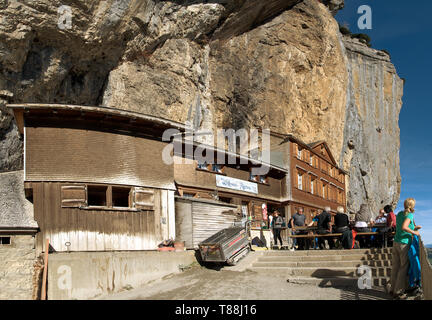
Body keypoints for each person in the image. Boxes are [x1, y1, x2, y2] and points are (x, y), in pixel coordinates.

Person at [390, 198, 422, 299]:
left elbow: (400, 226)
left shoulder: (399, 213)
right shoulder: (410, 215)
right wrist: (415, 232)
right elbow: (404, 227)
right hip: (404, 244)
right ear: (412, 206)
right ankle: (398, 292)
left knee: (395, 266)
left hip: (396, 242)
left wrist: (414, 227)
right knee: (403, 267)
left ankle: (392, 289)